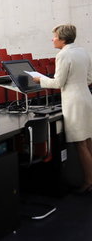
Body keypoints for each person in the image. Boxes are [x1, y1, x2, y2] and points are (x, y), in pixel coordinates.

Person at [32, 25, 92, 193]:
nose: (53, 39)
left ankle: (88, 182)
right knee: (88, 140)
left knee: (80, 143)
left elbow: (58, 83)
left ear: (63, 38)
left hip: (74, 102)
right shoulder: (82, 51)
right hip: (86, 97)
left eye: (55, 36)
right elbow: (89, 78)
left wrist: (39, 80)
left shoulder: (63, 54)